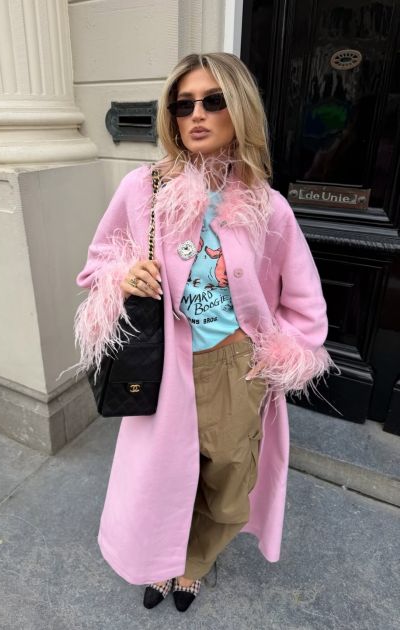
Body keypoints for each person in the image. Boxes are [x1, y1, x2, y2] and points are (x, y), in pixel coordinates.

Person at [74, 52, 333, 612]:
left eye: (213, 101)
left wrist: (279, 356)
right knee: (162, 480)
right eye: (183, 103)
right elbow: (96, 265)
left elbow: (305, 302)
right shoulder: (143, 188)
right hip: (163, 363)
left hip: (237, 366)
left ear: (238, 109)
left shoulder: (269, 207)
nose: (196, 114)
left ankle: (193, 562)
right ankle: (160, 561)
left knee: (228, 483)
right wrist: (124, 275)